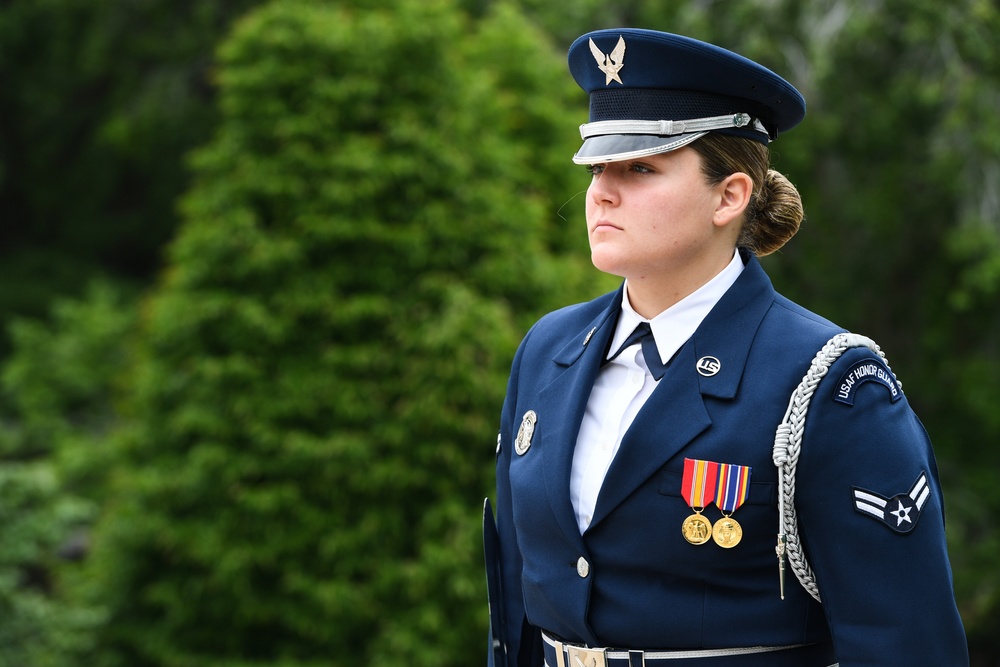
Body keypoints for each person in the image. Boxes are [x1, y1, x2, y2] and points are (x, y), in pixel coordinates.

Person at [484, 28, 968, 667]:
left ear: (730, 195)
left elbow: (906, 644)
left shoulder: (830, 384)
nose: (601, 191)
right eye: (599, 166)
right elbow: (518, 612)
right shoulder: (548, 349)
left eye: (640, 168)